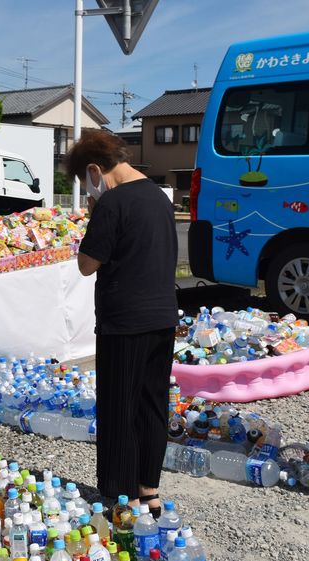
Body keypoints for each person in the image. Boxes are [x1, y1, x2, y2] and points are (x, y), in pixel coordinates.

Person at [65, 129, 178, 517]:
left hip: (123, 320)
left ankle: (121, 495)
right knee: (152, 403)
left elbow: (86, 264)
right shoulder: (159, 197)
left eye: (86, 181)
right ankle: (150, 489)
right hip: (163, 316)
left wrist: (96, 215)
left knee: (118, 406)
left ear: (95, 169)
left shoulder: (113, 203)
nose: (90, 189)